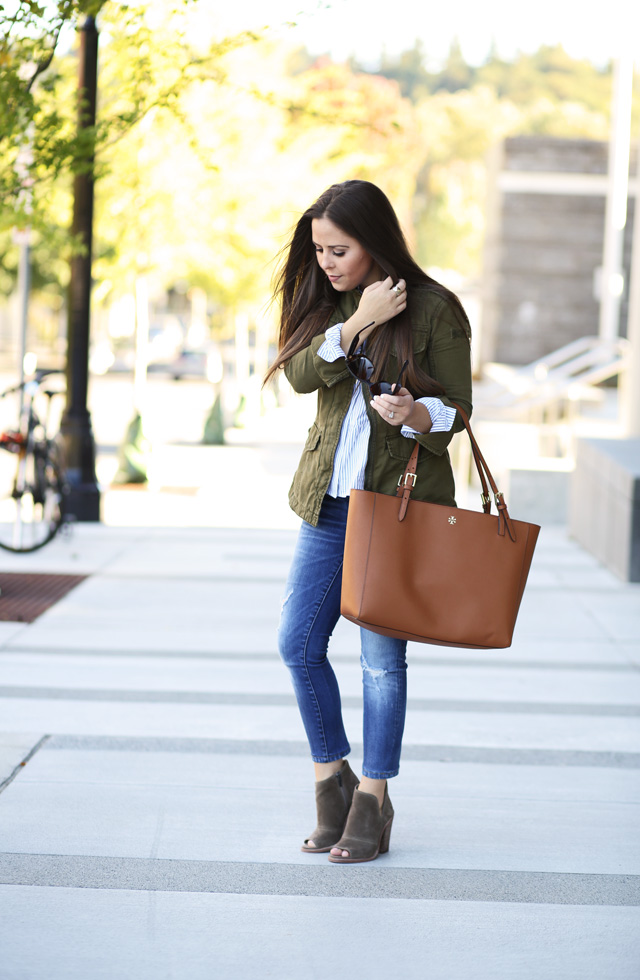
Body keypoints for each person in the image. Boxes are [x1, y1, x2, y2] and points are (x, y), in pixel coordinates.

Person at [264, 179, 472, 864]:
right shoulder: (328, 303)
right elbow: (297, 375)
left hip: (395, 509)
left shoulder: (438, 309)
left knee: (381, 661)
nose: (326, 261)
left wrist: (416, 414)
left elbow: (459, 413)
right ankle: (333, 780)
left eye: (340, 249)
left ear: (375, 241)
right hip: (328, 500)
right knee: (298, 643)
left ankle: (375, 798)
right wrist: (354, 323)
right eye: (320, 248)